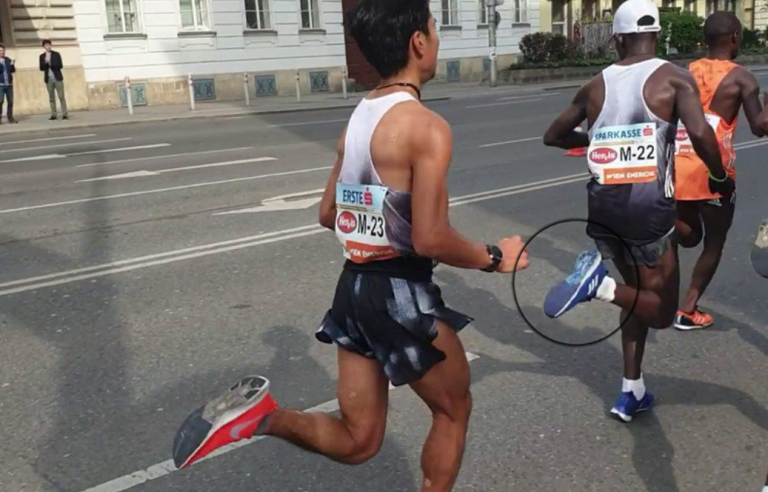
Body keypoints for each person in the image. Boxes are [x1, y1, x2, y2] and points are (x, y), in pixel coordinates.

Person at [171, 0, 530, 490]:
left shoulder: (359, 117)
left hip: (354, 290)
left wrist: (378, 224)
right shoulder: (426, 127)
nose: (436, 40)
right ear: (418, 43)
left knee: (359, 440)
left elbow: (328, 213)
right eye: (434, 29)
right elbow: (429, 236)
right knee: (453, 410)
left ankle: (261, 417)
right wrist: (495, 258)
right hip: (401, 296)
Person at [542, 0, 732, 422]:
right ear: (657, 35)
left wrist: (595, 139)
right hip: (648, 215)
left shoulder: (596, 85)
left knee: (638, 297)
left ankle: (632, 390)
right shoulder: (674, 77)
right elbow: (700, 133)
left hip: (604, 213)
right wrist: (719, 177)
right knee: (661, 311)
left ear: (617, 39)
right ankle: (599, 287)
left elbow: (552, 136)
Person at [673, 11, 765, 330]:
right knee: (713, 242)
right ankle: (687, 310)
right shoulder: (742, 78)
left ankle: (658, 254)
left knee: (687, 234)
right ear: (735, 37)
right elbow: (760, 126)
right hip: (716, 173)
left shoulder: (685, 72)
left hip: (679, 165)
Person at [39, 40, 67, 120]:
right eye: (46, 45)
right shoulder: (42, 56)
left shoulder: (56, 54)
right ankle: (54, 114)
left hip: (57, 78)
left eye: (49, 45)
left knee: (61, 96)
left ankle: (64, 113)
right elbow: (41, 68)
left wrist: (50, 63)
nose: (48, 46)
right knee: (51, 97)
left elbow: (60, 65)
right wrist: (45, 63)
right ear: (44, 47)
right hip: (48, 79)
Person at [0, 44, 17, 124]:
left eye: (3, 51)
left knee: (10, 101)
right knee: (0, 101)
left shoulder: (8, 60)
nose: (2, 52)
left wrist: (12, 65)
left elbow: (12, 70)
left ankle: (10, 117)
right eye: (0, 51)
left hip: (9, 84)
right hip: (1, 84)